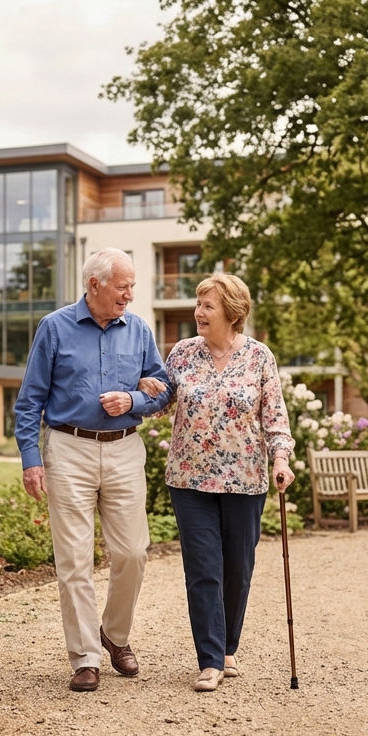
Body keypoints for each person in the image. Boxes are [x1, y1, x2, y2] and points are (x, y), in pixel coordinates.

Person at [14, 247, 172, 692]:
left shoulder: (138, 330)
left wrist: (135, 400)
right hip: (69, 449)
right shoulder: (55, 327)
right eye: (123, 286)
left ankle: (114, 635)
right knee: (74, 559)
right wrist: (30, 459)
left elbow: (163, 390)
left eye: (132, 286)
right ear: (95, 285)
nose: (130, 294)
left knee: (133, 552)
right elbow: (29, 402)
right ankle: (85, 656)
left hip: (124, 449)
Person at [140, 272, 295, 692]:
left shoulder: (260, 357)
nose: (198, 312)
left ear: (232, 311)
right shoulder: (183, 353)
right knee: (204, 568)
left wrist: (280, 458)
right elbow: (160, 403)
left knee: (238, 570)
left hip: (246, 480)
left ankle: (228, 648)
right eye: (198, 304)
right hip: (189, 479)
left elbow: (275, 418)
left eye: (208, 305)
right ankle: (209, 660)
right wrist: (144, 389)